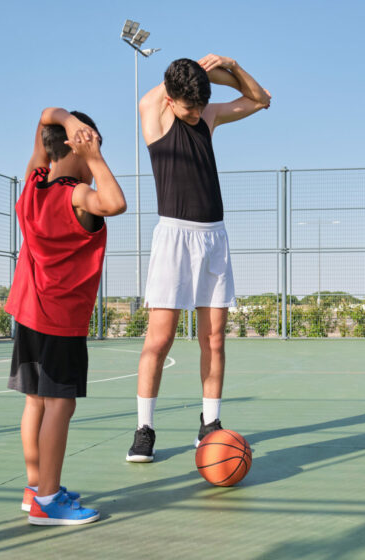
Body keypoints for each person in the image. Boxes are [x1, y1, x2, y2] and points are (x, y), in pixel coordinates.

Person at [126, 54, 271, 462]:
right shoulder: (154, 116)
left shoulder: (206, 117)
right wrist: (196, 69)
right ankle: (144, 429)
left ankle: (209, 425)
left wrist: (233, 67)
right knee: (159, 339)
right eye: (188, 106)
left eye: (198, 105)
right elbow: (156, 95)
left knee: (214, 338)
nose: (195, 113)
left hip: (213, 238)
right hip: (174, 237)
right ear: (170, 100)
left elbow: (261, 100)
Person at [5, 107, 127, 524]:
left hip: (28, 311)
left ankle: (35, 486)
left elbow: (43, 118)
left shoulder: (34, 185)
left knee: (36, 402)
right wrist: (94, 155)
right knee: (60, 405)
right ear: (75, 147)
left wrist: (63, 122)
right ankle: (48, 501)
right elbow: (115, 202)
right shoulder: (74, 195)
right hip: (60, 318)